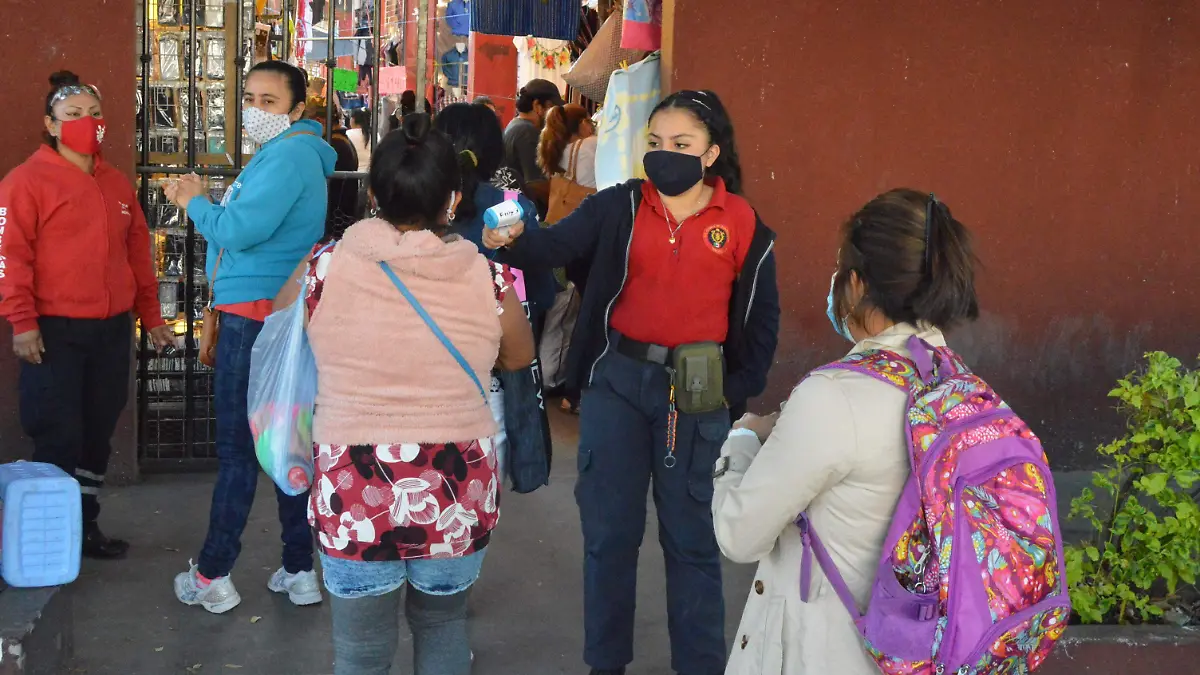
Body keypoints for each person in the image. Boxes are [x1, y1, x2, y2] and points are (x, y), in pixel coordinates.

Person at [483, 90, 780, 675]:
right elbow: (554, 245)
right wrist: (511, 240)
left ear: (712, 153)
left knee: (691, 542)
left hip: (696, 395)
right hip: (616, 382)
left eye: (681, 144)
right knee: (609, 536)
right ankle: (606, 664)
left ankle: (699, 665)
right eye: (654, 143)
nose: (664, 154)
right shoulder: (620, 206)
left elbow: (761, 321)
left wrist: (731, 391)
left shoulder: (742, 224)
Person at [273, 113, 535, 675]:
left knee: (361, 652)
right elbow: (518, 356)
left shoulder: (321, 270)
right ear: (453, 199)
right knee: (442, 626)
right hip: (456, 482)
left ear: (372, 194)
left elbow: (288, 337)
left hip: (353, 480)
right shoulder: (487, 278)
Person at [712, 189, 980, 674]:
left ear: (856, 284)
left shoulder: (833, 397)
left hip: (828, 652)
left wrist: (743, 440)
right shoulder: (959, 387)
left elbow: (739, 535)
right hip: (922, 651)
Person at [165, 60, 336, 614]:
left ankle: (213, 573)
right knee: (285, 443)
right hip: (273, 317)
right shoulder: (288, 155)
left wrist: (193, 201)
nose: (257, 111)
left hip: (256, 319)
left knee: (240, 452)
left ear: (297, 108)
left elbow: (237, 230)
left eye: (270, 102)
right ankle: (298, 569)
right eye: (251, 99)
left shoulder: (287, 157)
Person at [0, 70, 175, 559]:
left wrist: (152, 316)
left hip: (110, 329)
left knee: (98, 430)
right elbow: (10, 257)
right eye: (73, 114)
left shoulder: (117, 184)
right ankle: (48, 539)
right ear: (51, 124)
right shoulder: (24, 183)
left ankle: (84, 526)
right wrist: (23, 322)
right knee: (58, 432)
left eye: (94, 114)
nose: (86, 122)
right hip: (52, 331)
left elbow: (138, 254)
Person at [536, 103, 597, 413]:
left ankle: (550, 377)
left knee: (556, 313)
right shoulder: (590, 148)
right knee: (569, 314)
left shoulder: (555, 149)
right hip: (579, 240)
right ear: (583, 124)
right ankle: (555, 379)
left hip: (554, 233)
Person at [502, 79, 565, 215]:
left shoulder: (516, 125)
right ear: (537, 106)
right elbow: (535, 184)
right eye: (551, 107)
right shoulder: (527, 132)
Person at [305, 102, 360, 241]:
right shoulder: (341, 141)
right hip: (340, 218)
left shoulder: (334, 145)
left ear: (319, 121)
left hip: (333, 222)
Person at [346, 108, 372, 172]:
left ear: (353, 119)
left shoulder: (348, 134)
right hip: (369, 174)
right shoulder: (376, 135)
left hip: (352, 174)